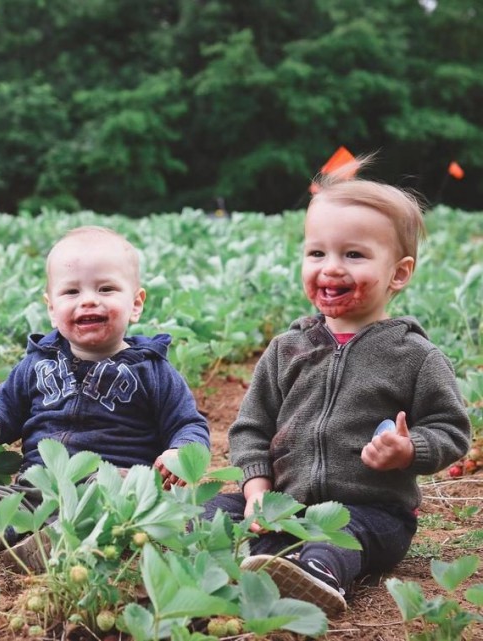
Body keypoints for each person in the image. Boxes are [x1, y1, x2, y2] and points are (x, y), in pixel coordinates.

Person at [202, 158, 471, 617]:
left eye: (354, 255)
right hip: (285, 503)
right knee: (205, 510)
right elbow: (250, 428)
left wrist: (410, 450)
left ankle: (315, 576)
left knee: (333, 541)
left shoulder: (413, 356)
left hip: (372, 513)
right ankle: (265, 553)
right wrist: (256, 490)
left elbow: (452, 429)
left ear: (399, 273)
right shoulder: (287, 348)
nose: (331, 268)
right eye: (317, 254)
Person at [0, 226, 210, 571]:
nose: (89, 300)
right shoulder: (37, 363)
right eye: (71, 291)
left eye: (106, 289)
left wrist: (180, 452)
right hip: (38, 483)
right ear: (51, 308)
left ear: (135, 304)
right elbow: (8, 407)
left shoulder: (152, 370)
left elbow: (188, 423)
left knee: (117, 493)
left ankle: (57, 541)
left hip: (111, 482)